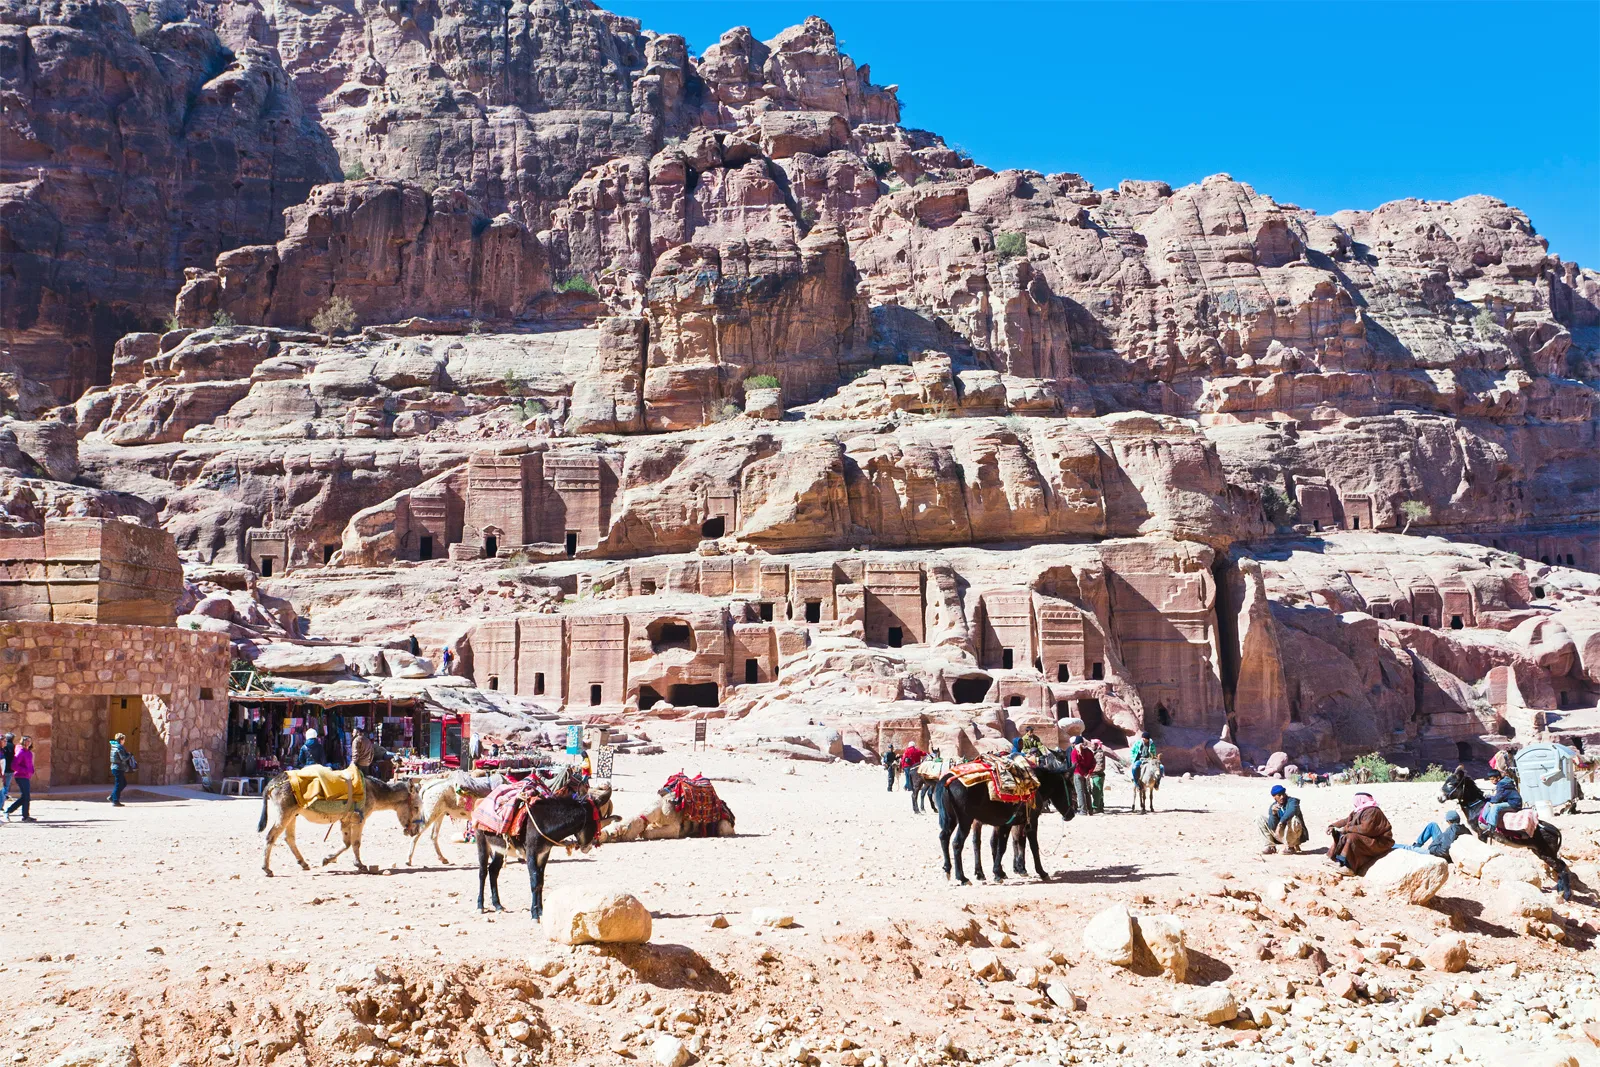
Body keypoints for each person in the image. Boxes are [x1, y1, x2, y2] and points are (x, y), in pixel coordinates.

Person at [1326, 792, 1393, 873]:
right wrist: (1333, 825)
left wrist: (1346, 829)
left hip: (1380, 841)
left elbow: (1366, 829)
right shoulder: (1360, 810)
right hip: (1371, 838)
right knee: (1339, 835)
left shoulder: (1372, 811)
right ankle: (1337, 860)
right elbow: (1347, 820)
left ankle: (1350, 868)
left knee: (1351, 837)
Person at [1259, 784, 1306, 854]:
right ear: (1274, 797)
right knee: (1259, 818)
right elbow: (1272, 826)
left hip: (1295, 835)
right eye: (1279, 795)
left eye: (1283, 794)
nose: (1282, 797)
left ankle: (1290, 847)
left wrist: (1280, 823)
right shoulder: (1273, 806)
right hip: (1281, 834)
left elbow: (1292, 811)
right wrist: (1273, 814)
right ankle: (1270, 846)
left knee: (1294, 819)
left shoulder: (1292, 801)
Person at [1400, 809, 1464, 859]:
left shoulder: (1451, 831)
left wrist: (1432, 848)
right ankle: (1417, 845)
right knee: (1433, 825)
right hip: (1442, 846)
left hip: (1437, 853)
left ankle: (1392, 845)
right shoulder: (1463, 828)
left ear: (1449, 821)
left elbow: (1444, 850)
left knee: (1408, 848)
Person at [1479, 770, 1522, 839]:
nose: (1492, 781)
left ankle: (1491, 827)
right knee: (1488, 803)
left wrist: (1490, 799)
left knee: (1495, 807)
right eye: (1490, 779)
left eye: (1493, 779)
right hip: (1511, 801)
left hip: (1514, 804)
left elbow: (1498, 798)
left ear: (1498, 778)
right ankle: (1484, 821)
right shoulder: (1504, 782)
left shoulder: (1501, 784)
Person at [1088, 739, 1124, 814]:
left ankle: (1095, 807)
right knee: (1099, 791)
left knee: (1096, 792)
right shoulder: (1096, 753)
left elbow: (1099, 766)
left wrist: (1090, 772)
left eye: (1093, 745)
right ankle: (1100, 807)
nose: (1091, 746)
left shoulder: (1099, 754)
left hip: (1097, 775)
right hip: (1096, 775)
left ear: (1097, 745)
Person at [5, 736, 34, 822]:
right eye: (27, 741)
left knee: (25, 796)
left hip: (26, 776)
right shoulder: (20, 752)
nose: (28, 742)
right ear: (23, 742)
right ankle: (24, 816)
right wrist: (25, 770)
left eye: (30, 741)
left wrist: (31, 771)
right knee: (26, 796)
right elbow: (14, 765)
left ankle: (11, 811)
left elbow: (29, 764)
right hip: (21, 776)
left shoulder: (29, 753)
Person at [1069, 735, 1096, 816]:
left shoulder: (1074, 751)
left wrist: (1082, 773)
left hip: (1078, 774)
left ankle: (1083, 811)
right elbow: (1093, 763)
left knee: (1080, 792)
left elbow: (1075, 764)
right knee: (1087, 792)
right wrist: (1088, 773)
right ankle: (1090, 810)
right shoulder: (1089, 751)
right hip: (1086, 774)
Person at [109, 732, 137, 807]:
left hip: (115, 767)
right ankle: (115, 801)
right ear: (121, 740)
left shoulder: (114, 746)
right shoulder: (119, 747)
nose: (124, 741)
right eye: (123, 739)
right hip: (118, 768)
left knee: (123, 783)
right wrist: (130, 755)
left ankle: (112, 797)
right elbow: (123, 758)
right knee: (119, 784)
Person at [0, 732, 11, 819]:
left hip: (0, 777)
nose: (5, 742)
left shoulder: (2, 751)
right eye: (4, 740)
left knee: (2, 795)